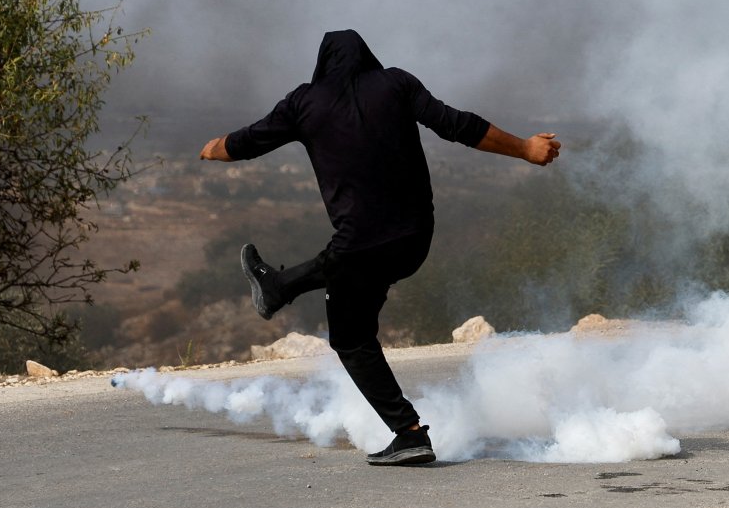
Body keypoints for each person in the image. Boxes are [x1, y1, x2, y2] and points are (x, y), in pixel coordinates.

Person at [198, 30, 560, 466]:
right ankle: (279, 286)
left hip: (361, 249)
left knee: (350, 337)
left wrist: (212, 149)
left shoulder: (304, 102)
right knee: (345, 263)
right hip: (414, 240)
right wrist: (524, 148)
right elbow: (457, 125)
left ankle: (408, 433)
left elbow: (244, 143)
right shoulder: (396, 84)